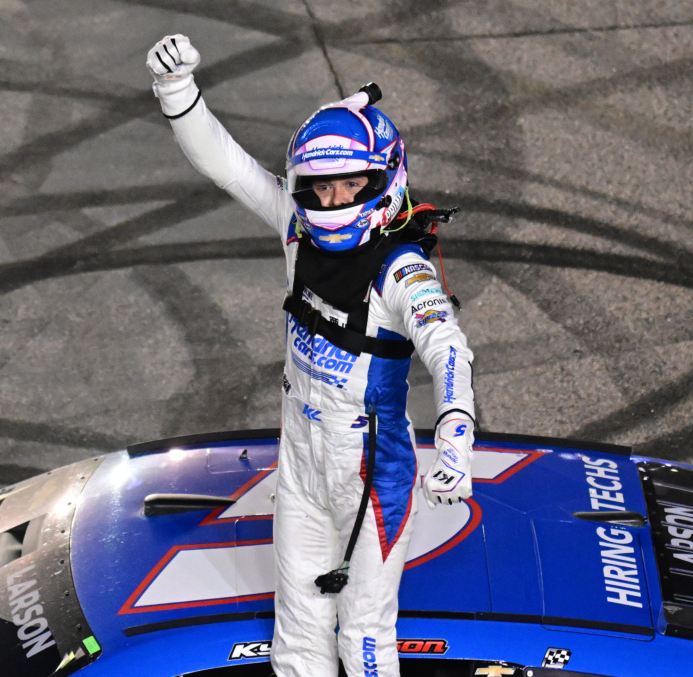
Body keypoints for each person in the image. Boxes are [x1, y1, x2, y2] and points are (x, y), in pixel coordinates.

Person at [146, 35, 476, 677]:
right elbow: (227, 165)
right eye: (320, 188)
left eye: (351, 184)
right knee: (297, 635)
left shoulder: (404, 270)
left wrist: (456, 437)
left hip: (373, 471)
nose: (333, 201)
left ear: (384, 179)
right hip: (299, 455)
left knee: (365, 638)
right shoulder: (295, 227)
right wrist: (176, 89)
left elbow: (449, 351)